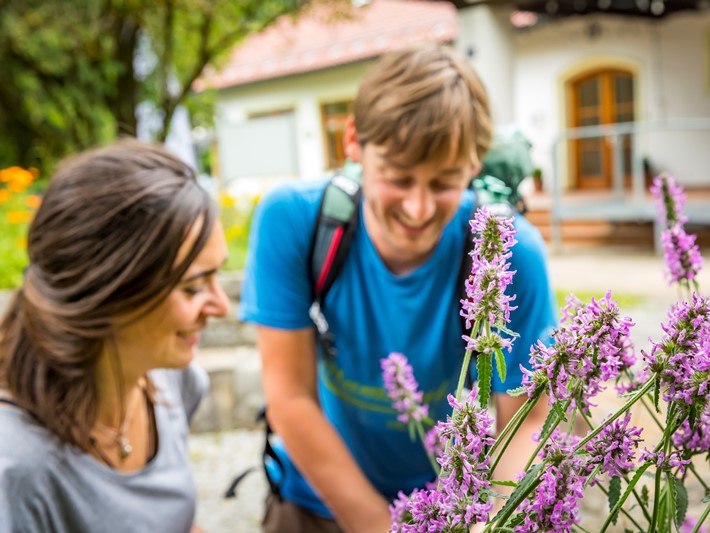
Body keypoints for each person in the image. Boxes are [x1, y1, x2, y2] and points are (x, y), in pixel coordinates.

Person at [241, 43, 556, 532]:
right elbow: (289, 398)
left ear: (474, 164)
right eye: (398, 177)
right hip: (317, 502)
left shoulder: (512, 254)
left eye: (445, 182)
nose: (418, 208)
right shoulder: (293, 220)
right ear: (354, 141)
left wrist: (489, 520)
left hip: (449, 510)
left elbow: (528, 417)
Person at [0, 139, 230, 532]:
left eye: (218, 276)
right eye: (193, 287)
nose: (222, 306)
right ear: (108, 294)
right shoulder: (19, 465)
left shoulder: (172, 382)